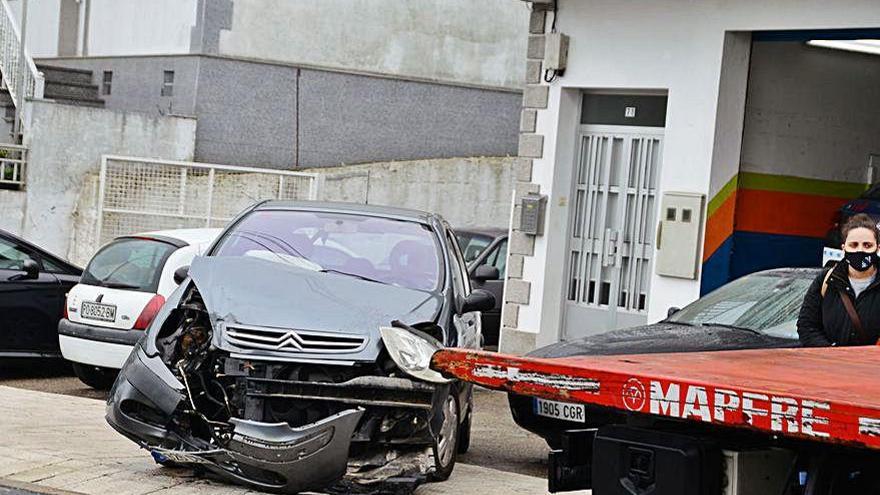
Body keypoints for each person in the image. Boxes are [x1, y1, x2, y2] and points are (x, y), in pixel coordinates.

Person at [798, 213, 880, 347]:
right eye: (853, 245)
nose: (860, 250)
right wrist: (831, 355)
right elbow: (806, 325)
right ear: (843, 248)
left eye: (867, 245)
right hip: (830, 365)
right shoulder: (826, 280)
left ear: (877, 248)